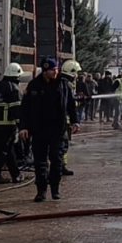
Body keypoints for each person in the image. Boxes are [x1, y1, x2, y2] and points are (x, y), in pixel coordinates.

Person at [19, 58, 78, 202]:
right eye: (53, 70)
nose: (56, 72)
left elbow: (71, 104)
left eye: (56, 69)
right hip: (39, 130)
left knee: (56, 161)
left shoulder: (63, 85)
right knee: (40, 162)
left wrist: (75, 121)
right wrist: (24, 127)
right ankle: (41, 191)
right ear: (45, 71)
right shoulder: (34, 85)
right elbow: (25, 108)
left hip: (57, 130)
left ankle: (55, 189)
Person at [0, 63, 25, 184]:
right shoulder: (14, 89)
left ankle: (14, 174)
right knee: (5, 151)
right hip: (8, 126)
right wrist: (21, 126)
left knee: (6, 149)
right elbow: (16, 110)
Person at [58, 60, 83, 176]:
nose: (77, 76)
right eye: (76, 73)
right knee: (62, 145)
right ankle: (60, 167)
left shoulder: (58, 82)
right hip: (63, 122)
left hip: (59, 121)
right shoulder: (66, 84)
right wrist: (75, 122)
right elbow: (70, 106)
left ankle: (61, 166)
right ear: (71, 72)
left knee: (61, 145)